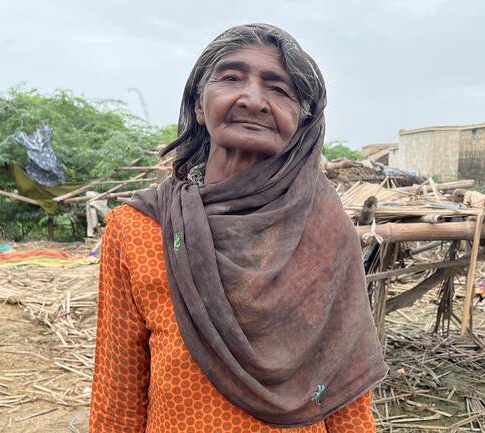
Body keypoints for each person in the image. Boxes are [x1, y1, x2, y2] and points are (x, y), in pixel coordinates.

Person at [89, 23, 387, 433]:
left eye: (280, 90)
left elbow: (343, 399)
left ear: (302, 121)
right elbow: (118, 392)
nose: (252, 100)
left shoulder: (324, 234)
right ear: (198, 103)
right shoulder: (138, 228)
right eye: (231, 78)